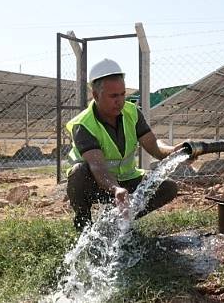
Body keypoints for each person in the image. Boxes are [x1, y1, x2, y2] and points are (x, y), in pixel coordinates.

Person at [66, 58, 182, 231]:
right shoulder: (83, 125)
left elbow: (154, 148)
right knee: (78, 173)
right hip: (98, 183)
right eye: (113, 96)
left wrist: (174, 151)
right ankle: (84, 226)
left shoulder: (132, 112)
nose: (119, 101)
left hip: (128, 180)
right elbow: (98, 167)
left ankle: (116, 223)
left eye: (122, 94)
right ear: (96, 95)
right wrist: (115, 189)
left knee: (168, 187)